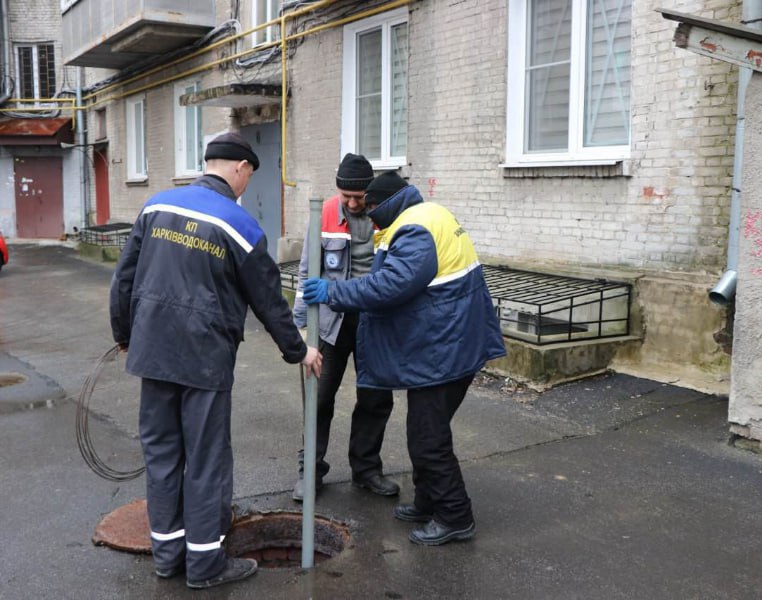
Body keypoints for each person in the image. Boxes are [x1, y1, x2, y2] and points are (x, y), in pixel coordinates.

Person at [109, 132, 322, 589]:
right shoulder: (239, 225)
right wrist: (299, 350)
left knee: (163, 456)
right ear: (240, 169)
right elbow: (268, 300)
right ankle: (205, 566)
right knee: (205, 460)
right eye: (248, 176)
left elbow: (123, 279)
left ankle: (168, 558)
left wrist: (125, 336)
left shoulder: (155, 206)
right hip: (204, 362)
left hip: (153, 353)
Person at [302, 171, 506, 546]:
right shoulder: (427, 214)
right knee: (425, 430)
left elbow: (390, 285)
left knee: (429, 438)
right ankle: (428, 502)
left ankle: (455, 516)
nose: (368, 214)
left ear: (383, 204)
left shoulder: (413, 229)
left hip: (447, 348)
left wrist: (334, 290)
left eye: (371, 207)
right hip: (447, 342)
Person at [291, 153, 399, 501]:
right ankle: (310, 471)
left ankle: (366, 470)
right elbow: (308, 271)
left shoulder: (386, 217)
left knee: (375, 397)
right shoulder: (322, 214)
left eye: (359, 197)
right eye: (346, 196)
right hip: (330, 321)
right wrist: (300, 327)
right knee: (318, 398)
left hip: (375, 320)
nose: (352, 203)